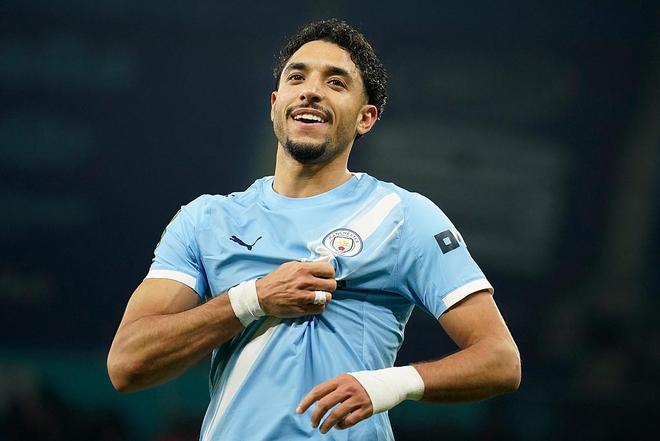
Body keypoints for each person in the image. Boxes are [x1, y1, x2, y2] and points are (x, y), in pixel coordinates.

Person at [107, 18, 520, 441]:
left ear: (365, 118)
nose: (311, 90)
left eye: (336, 82)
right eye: (297, 77)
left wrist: (387, 385)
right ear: (275, 104)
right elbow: (127, 364)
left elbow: (500, 360)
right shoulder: (205, 220)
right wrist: (254, 298)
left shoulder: (403, 216)